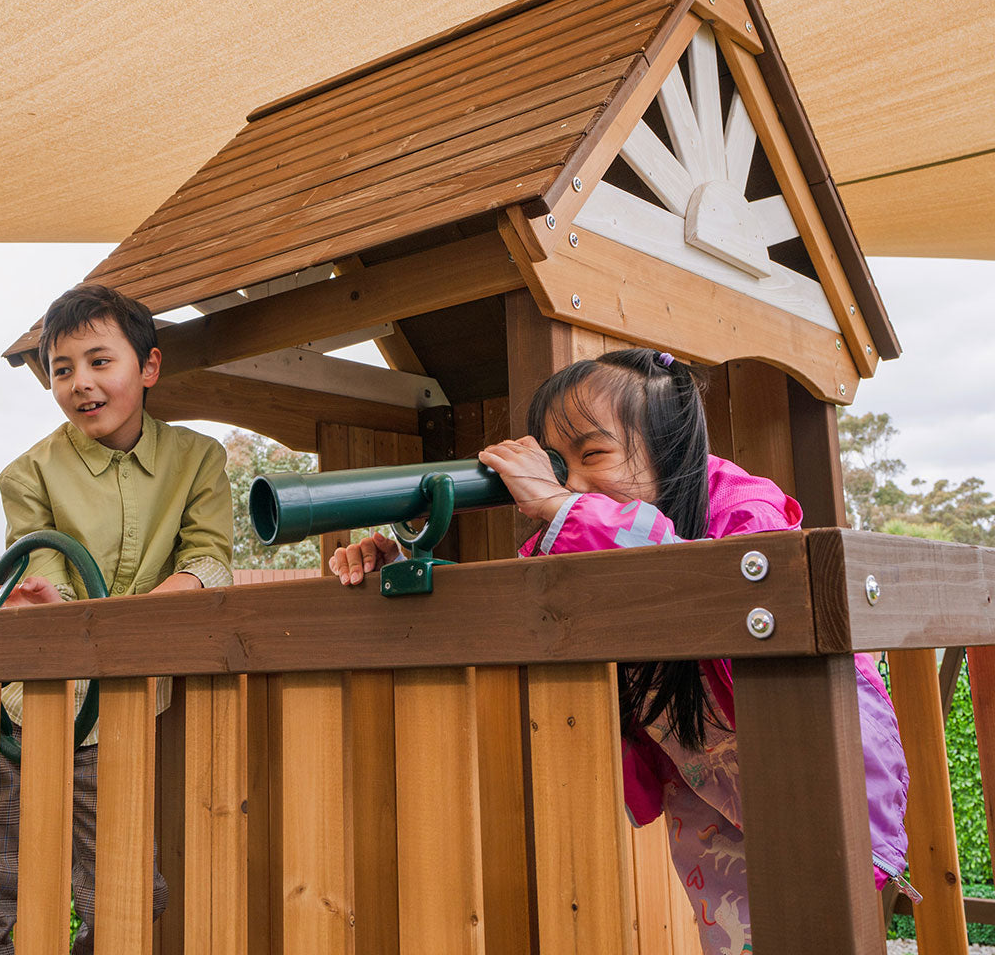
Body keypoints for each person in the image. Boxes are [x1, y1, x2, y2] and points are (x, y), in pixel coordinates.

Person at [329, 348, 911, 955]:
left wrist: (562, 508)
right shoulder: (574, 540)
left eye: (594, 454)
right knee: (735, 940)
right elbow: (511, 615)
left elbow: (706, 581)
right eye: (558, 463)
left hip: (808, 767)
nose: (571, 481)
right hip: (704, 787)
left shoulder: (744, 511)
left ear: (671, 456)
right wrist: (405, 571)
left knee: (821, 931)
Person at [0, 284, 233, 955]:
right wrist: (50, 603)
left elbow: (210, 563)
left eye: (99, 361)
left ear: (148, 367)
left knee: (130, 897)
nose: (80, 383)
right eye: (62, 370)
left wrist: (123, 623)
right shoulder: (28, 474)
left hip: (119, 718)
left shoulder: (198, 461)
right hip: (20, 714)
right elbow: (53, 580)